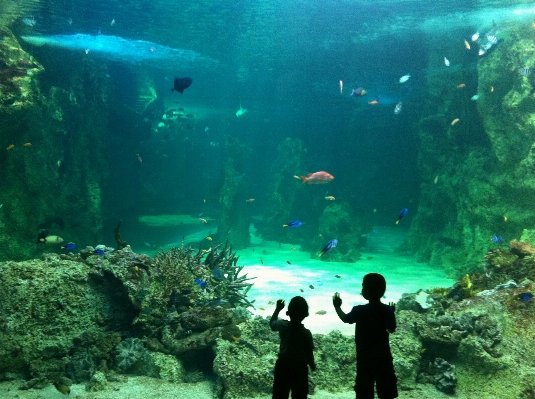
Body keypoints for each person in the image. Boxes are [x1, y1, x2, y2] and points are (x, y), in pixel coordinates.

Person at [332, 273, 398, 399]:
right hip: (383, 356)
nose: (362, 290)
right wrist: (391, 313)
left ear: (366, 291)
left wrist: (337, 307)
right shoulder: (388, 310)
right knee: (386, 390)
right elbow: (391, 329)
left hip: (365, 356)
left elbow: (346, 319)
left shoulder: (359, 310)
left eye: (363, 287)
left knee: (364, 389)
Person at [270, 296, 316, 399]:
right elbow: (309, 353)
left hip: (283, 365)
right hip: (300, 368)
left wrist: (277, 309)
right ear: (306, 314)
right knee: (299, 396)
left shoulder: (282, 325)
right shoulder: (306, 334)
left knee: (279, 395)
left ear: (288, 312)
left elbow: (272, 324)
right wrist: (312, 364)